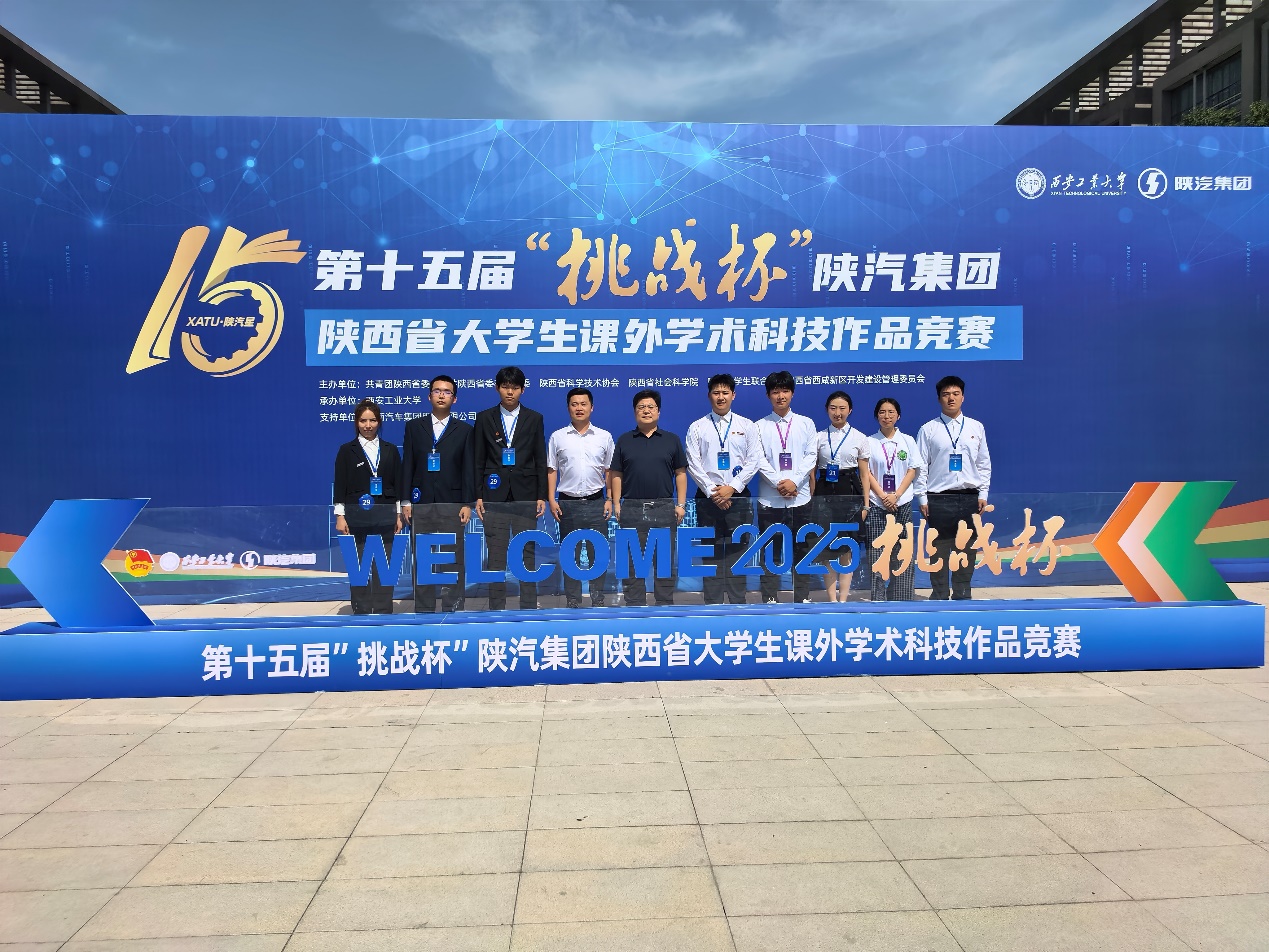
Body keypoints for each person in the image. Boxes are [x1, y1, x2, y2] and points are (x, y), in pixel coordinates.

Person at [473, 367, 548, 610]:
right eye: (505, 387)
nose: (509, 392)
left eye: (515, 387)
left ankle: (528, 604)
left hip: (526, 494)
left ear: (522, 390)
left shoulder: (534, 418)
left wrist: (541, 495)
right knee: (496, 554)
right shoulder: (484, 418)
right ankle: (496, 606)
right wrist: (478, 495)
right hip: (493, 495)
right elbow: (478, 460)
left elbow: (540, 458)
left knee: (527, 551)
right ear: (497, 388)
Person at [685, 374, 761, 605]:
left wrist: (733, 488)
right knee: (711, 551)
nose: (721, 397)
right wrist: (713, 491)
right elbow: (693, 463)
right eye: (716, 392)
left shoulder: (746, 425)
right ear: (709, 396)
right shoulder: (697, 427)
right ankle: (713, 603)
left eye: (725, 392)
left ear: (733, 395)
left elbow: (754, 460)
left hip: (738, 497)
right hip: (708, 498)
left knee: (739, 550)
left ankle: (738, 602)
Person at [401, 375, 474, 613]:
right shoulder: (414, 427)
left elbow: (468, 469)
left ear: (455, 399)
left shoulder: (464, 430)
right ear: (429, 395)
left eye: (447, 392)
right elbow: (408, 465)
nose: (442, 395)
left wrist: (467, 503)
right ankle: (423, 608)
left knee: (453, 557)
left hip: (452, 503)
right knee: (422, 557)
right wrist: (405, 501)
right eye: (437, 391)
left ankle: (453, 607)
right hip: (421, 503)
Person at [916, 375, 991, 600]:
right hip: (938, 498)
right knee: (938, 549)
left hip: (969, 497)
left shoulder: (976, 427)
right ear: (939, 398)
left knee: (966, 549)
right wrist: (922, 498)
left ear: (963, 397)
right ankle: (939, 594)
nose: (951, 398)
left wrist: (983, 493)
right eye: (946, 394)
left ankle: (962, 594)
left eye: (956, 394)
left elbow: (983, 463)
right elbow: (921, 466)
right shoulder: (928, 429)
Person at [610, 389, 687, 607]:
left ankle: (664, 606)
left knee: (664, 564)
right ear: (635, 412)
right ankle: (635, 607)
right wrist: (617, 504)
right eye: (641, 407)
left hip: (663, 508)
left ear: (658, 411)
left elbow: (681, 474)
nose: (646, 411)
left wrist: (681, 504)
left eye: (650, 407)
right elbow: (616, 474)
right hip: (632, 509)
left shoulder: (671, 440)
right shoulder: (625, 440)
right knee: (632, 564)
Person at [547, 387, 615, 608]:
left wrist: (609, 498)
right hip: (567, 503)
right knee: (570, 555)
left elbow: (609, 471)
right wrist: (551, 499)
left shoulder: (604, 436)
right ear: (568, 407)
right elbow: (552, 470)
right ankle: (573, 600)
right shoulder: (558, 437)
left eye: (583, 404)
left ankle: (598, 599)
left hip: (597, 502)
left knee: (598, 553)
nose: (579, 408)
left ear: (591, 407)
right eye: (574, 404)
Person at [333, 398, 402, 614]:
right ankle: (361, 609)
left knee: (384, 567)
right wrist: (340, 515)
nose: (368, 425)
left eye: (372, 420)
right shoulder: (347, 450)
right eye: (363, 421)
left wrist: (398, 514)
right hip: (357, 519)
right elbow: (340, 484)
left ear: (379, 422)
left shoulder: (390, 450)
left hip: (385, 517)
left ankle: (383, 609)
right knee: (360, 567)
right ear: (356, 422)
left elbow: (398, 485)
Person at [755, 371, 818, 604]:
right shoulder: (759, 426)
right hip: (770, 500)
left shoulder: (806, 423)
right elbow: (758, 459)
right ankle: (770, 597)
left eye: (785, 391)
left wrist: (795, 482)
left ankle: (802, 597)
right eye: (775, 392)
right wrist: (779, 484)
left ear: (792, 393)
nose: (780, 396)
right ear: (768, 395)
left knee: (803, 549)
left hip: (800, 498)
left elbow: (811, 456)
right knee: (770, 550)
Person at [813, 391, 871, 602]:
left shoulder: (859, 437)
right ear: (827, 410)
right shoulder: (818, 437)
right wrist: (812, 500)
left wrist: (865, 505)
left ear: (850, 410)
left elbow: (864, 474)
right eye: (833, 408)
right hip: (824, 490)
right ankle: (831, 599)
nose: (837, 413)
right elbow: (812, 473)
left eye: (842, 408)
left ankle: (843, 599)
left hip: (850, 490)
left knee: (847, 546)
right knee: (826, 546)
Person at [866, 397, 925, 601]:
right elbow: (866, 473)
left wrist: (897, 495)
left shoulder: (908, 440)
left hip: (902, 503)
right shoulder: (869, 442)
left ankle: (902, 597)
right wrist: (883, 496)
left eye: (891, 412)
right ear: (876, 416)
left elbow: (913, 469)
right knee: (877, 553)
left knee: (903, 553)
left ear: (898, 415)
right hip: (877, 503)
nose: (886, 416)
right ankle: (878, 598)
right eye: (882, 412)